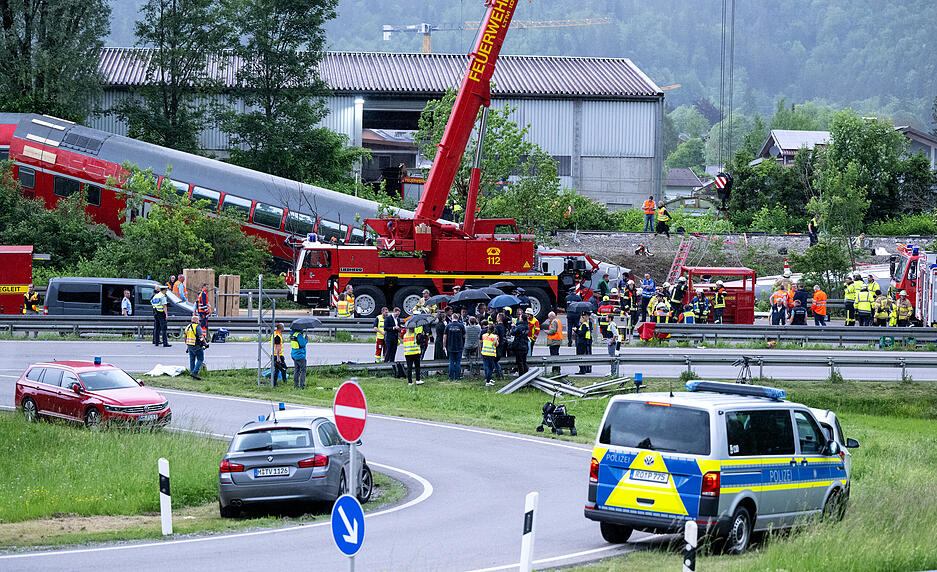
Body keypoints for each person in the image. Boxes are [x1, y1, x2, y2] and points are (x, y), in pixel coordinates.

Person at [184, 314, 206, 379]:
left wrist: (187, 343)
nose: (199, 321)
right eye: (198, 320)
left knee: (192, 359)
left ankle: (192, 373)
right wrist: (205, 343)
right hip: (196, 346)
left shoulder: (188, 326)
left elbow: (184, 336)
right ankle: (195, 372)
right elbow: (201, 337)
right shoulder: (197, 327)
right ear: (196, 321)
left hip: (189, 346)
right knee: (200, 359)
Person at [444, 315, 466, 380]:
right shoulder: (461, 326)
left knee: (451, 362)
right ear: (458, 318)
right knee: (458, 362)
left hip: (450, 346)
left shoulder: (448, 326)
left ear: (452, 318)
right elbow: (464, 335)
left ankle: (451, 377)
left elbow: (445, 336)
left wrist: (444, 345)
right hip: (459, 346)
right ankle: (457, 377)